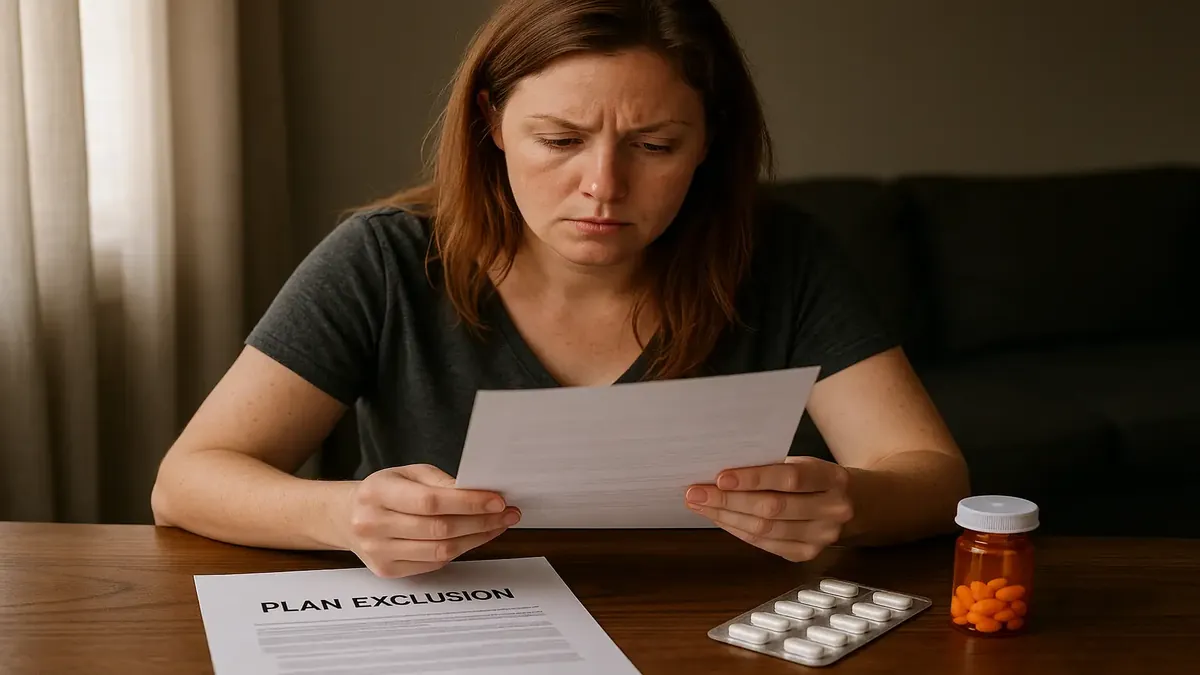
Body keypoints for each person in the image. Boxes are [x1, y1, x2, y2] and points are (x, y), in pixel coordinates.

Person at [151, 0, 969, 578]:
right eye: (560, 139)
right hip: (451, 629)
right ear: (491, 124)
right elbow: (186, 481)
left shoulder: (784, 256)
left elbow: (933, 477)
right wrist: (344, 515)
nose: (602, 187)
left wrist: (847, 500)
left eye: (653, 144)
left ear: (709, 145)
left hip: (717, 628)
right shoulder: (385, 258)